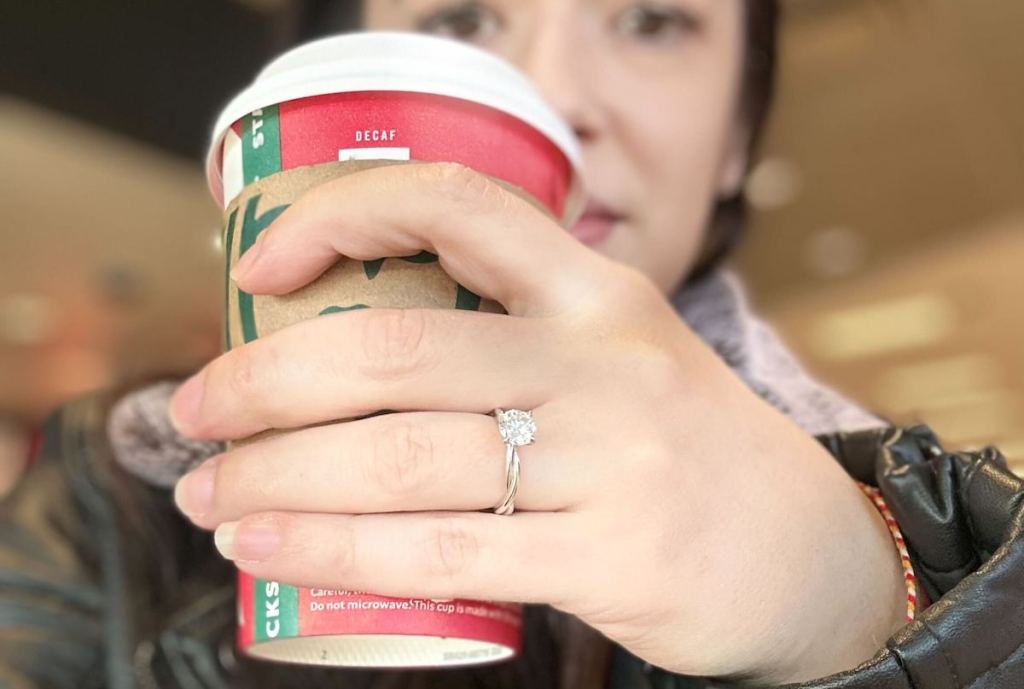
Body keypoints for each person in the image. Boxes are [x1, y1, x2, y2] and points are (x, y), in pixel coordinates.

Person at [2, 1, 1022, 688]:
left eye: (652, 20)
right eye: (460, 19)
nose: (558, 98)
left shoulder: (910, 509)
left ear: (736, 136)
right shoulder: (116, 482)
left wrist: (860, 603)